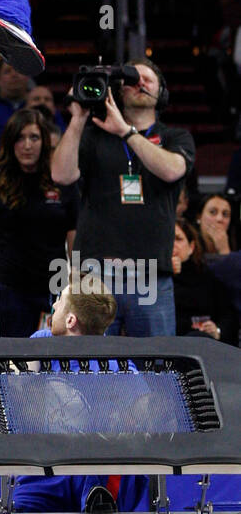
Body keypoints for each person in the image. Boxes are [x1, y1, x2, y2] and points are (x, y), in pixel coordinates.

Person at [0, 280, 148, 514]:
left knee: (101, 460)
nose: (54, 306)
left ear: (71, 320)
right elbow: (17, 376)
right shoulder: (42, 341)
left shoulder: (117, 360)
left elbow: (145, 415)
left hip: (97, 467)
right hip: (46, 469)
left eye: (60, 301)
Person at [51, 59, 195, 336]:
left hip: (151, 271)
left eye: (147, 79)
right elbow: (61, 175)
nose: (139, 83)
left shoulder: (175, 137)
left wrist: (125, 132)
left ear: (161, 92)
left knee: (158, 367)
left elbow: (172, 169)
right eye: (131, 79)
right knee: (89, 366)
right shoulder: (92, 135)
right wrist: (78, 118)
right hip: (94, 272)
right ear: (117, 91)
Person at [0, 109, 78, 335]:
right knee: (14, 360)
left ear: (45, 141)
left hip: (54, 287)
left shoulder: (62, 180)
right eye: (20, 138)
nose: (27, 145)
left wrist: (76, 282)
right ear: (10, 142)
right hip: (9, 289)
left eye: (34, 137)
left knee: (53, 359)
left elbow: (74, 235)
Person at [172, 219, 236, 342]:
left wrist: (217, 330)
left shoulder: (209, 278)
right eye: (168, 239)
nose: (172, 244)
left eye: (178, 239)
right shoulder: (154, 280)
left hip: (207, 346)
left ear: (191, 247)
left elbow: (228, 316)